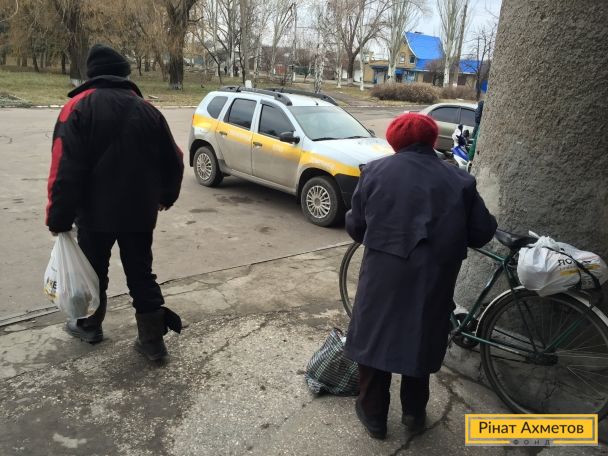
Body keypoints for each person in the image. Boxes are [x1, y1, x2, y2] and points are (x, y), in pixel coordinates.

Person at [344, 113, 497, 439]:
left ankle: (373, 416)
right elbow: (482, 232)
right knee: (420, 338)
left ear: (394, 141)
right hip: (433, 279)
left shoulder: (375, 172)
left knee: (375, 340)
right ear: (431, 140)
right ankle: (413, 413)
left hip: (382, 278)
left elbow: (357, 227)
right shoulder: (460, 180)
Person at [45, 44, 184, 361]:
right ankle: (152, 342)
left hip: (95, 214)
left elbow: (64, 169)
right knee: (141, 272)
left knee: (93, 271)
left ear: (92, 74)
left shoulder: (77, 108)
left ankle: (89, 326)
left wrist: (58, 218)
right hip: (139, 213)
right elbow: (174, 160)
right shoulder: (148, 111)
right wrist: (165, 197)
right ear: (124, 74)